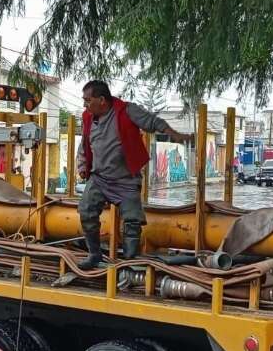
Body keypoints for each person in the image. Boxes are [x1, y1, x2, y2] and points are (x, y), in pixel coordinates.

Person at [75, 80, 190, 268]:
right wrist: (82, 165)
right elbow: (85, 144)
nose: (85, 105)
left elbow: (153, 122)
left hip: (126, 179)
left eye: (88, 100)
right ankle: (94, 254)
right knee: (86, 211)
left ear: (102, 100)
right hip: (100, 177)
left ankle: (129, 260)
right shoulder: (88, 117)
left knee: (132, 220)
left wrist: (174, 134)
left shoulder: (127, 110)